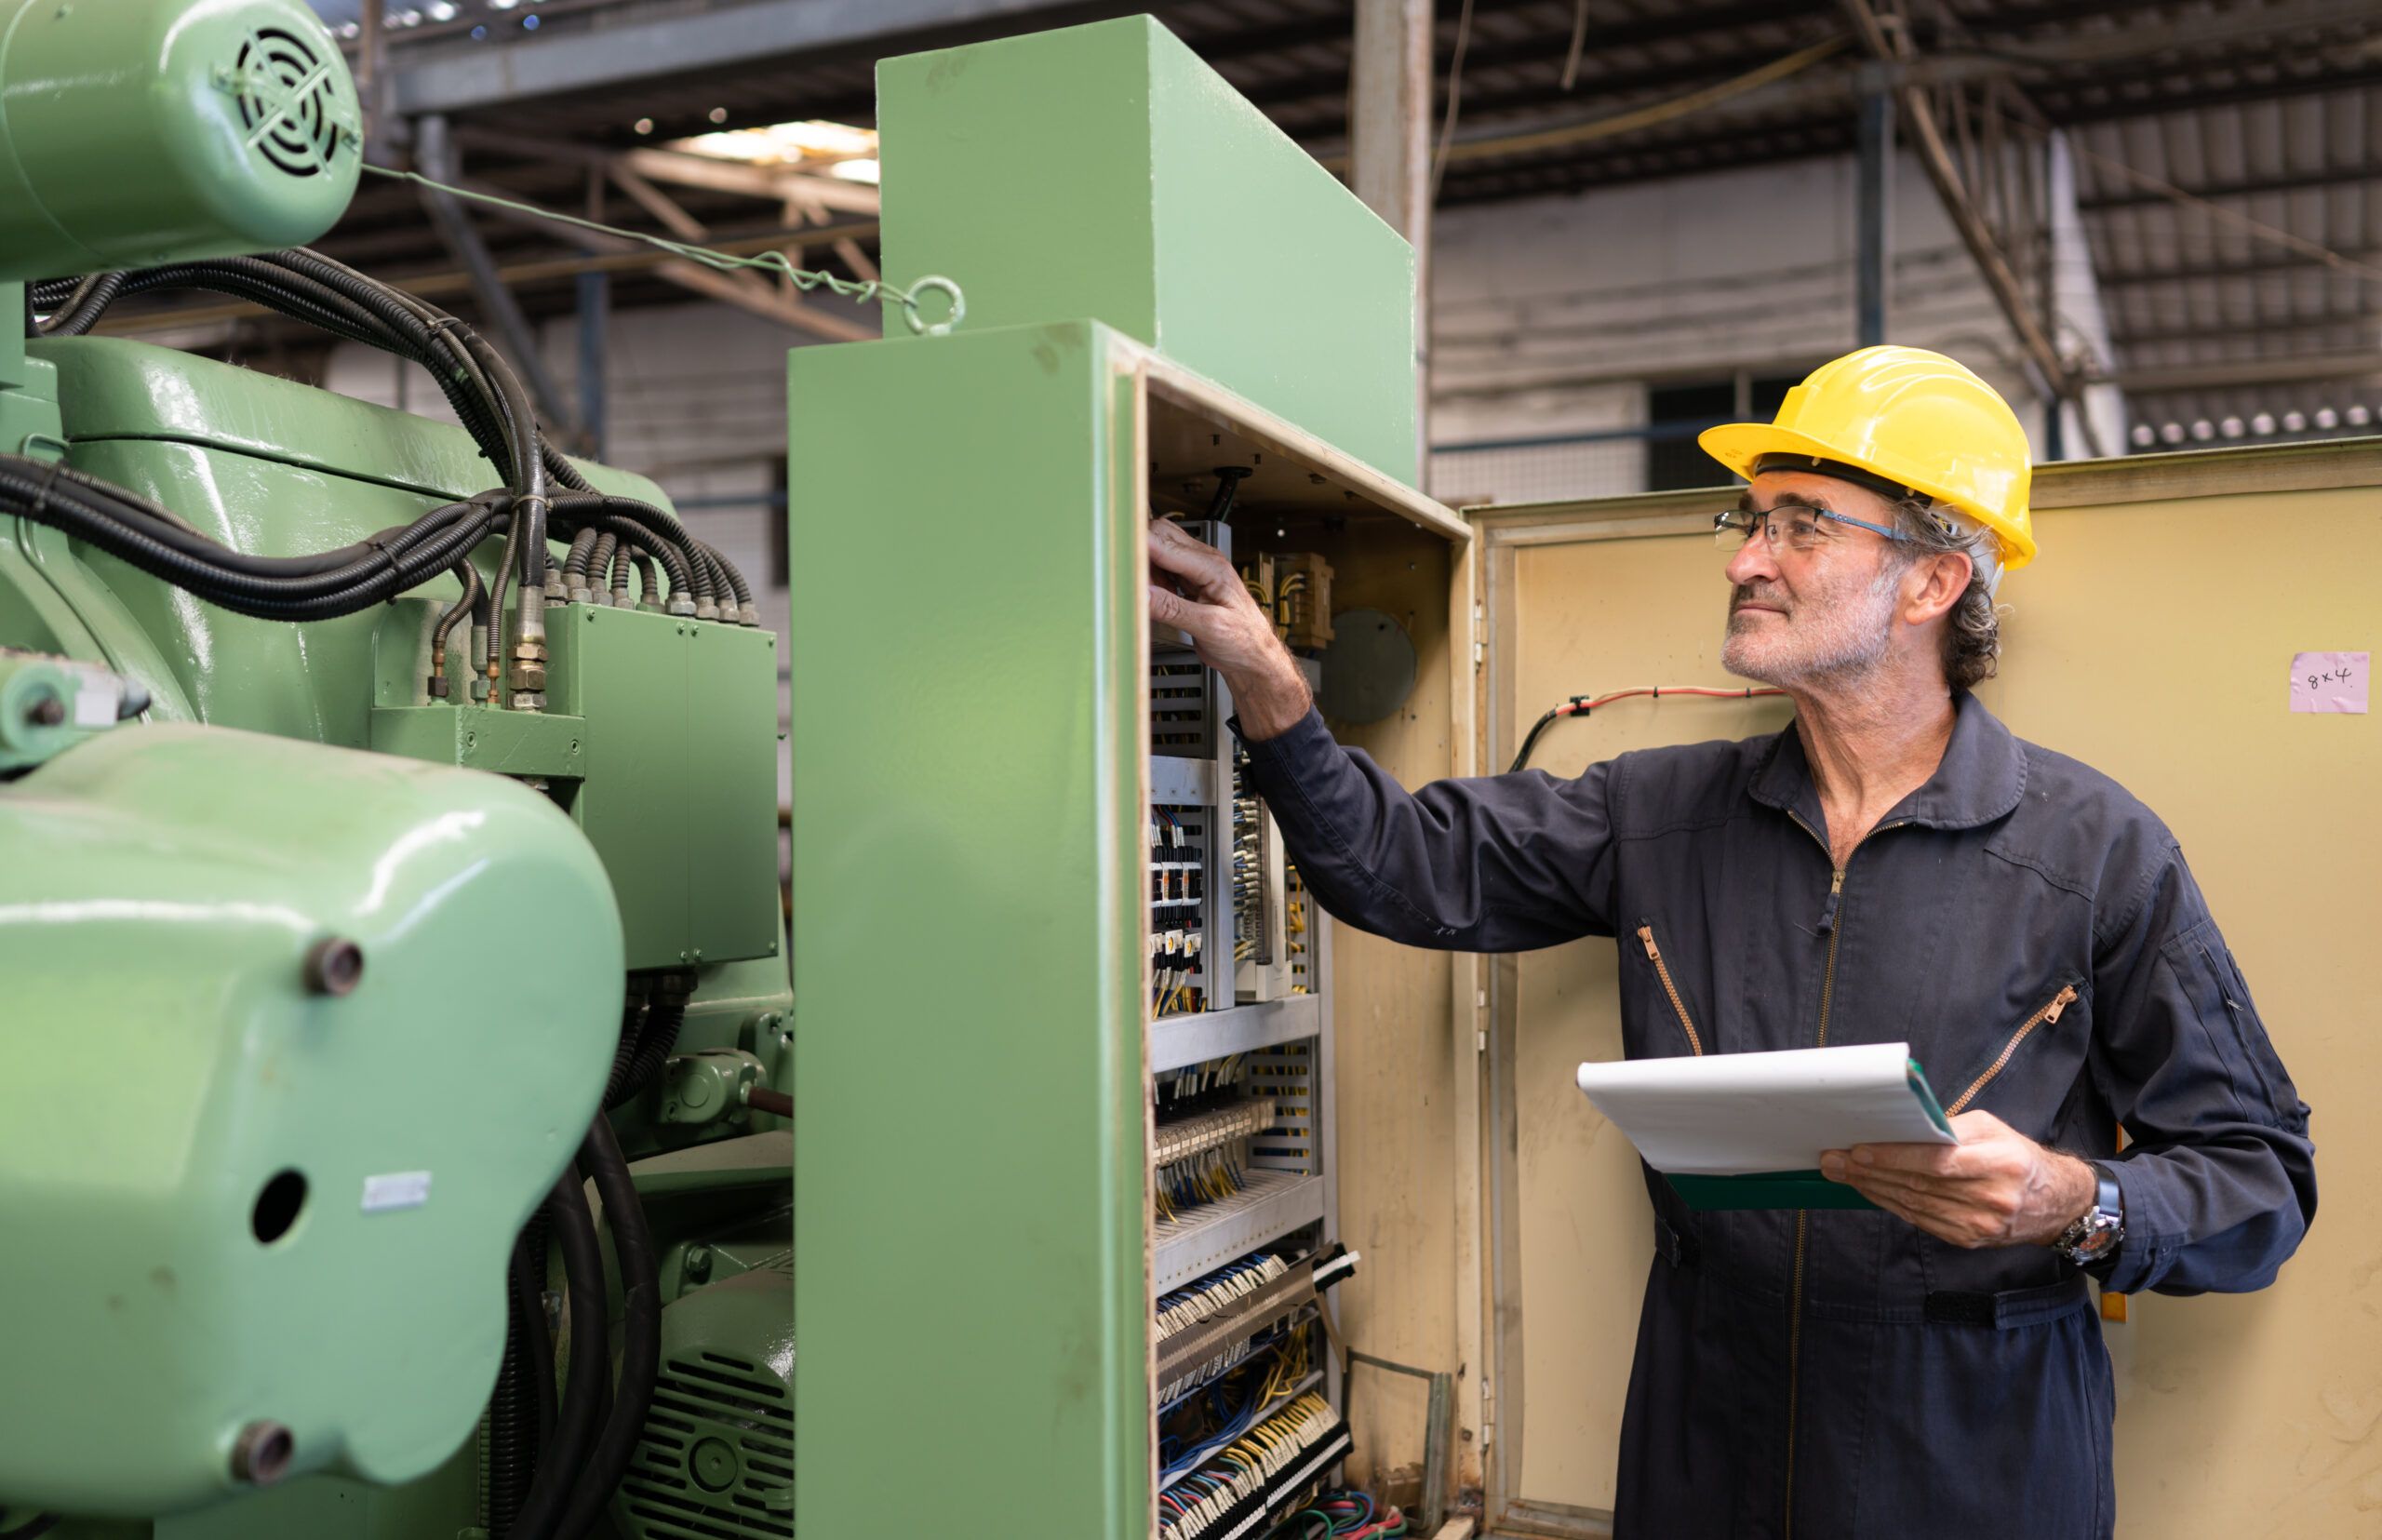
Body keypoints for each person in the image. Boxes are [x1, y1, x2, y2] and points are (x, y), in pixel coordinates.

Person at [1144, 345, 2315, 1540]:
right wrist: (1263, 675)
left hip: (1974, 1466)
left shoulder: (2096, 852)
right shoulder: (1657, 814)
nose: (1746, 558)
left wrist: (2078, 1200)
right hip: (1708, 1452)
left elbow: (2259, 1177)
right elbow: (1395, 864)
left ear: (1930, 584)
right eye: (1749, 520)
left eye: (1803, 526)